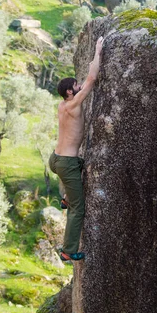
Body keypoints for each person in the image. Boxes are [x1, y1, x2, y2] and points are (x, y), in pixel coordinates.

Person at [49, 36, 104, 262]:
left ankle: (65, 198)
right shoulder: (73, 104)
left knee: (81, 167)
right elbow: (92, 78)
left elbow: (84, 82)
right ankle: (68, 250)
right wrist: (98, 51)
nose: (79, 86)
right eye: (75, 86)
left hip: (57, 160)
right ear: (70, 93)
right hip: (66, 163)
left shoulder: (63, 105)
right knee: (78, 210)